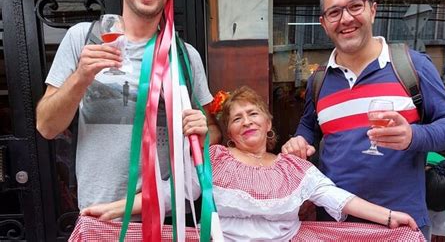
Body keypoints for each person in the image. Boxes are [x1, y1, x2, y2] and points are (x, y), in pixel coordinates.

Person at [78, 86, 424, 241]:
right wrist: (114, 209)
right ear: (228, 131)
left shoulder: (295, 167)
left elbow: (339, 199)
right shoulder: (216, 159)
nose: (247, 121)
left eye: (253, 113)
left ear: (269, 122)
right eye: (237, 118)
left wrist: (391, 217)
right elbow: (170, 194)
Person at [36, 0, 220, 217]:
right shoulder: (83, 38)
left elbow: (212, 135)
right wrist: (81, 77)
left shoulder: (185, 55)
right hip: (98, 215)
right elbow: (46, 126)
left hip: (165, 217)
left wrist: (204, 129)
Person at [281, 0, 445, 239]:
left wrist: (413, 135)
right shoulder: (319, 80)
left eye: (355, 6)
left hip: (404, 223)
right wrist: (298, 140)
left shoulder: (412, 66)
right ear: (324, 23)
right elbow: (309, 126)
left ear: (372, 10)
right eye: (334, 12)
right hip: (336, 225)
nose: (345, 19)